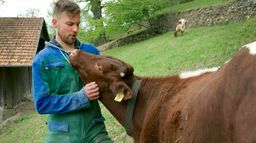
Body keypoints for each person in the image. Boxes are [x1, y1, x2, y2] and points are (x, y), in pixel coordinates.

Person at [32, 0, 113, 142]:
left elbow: (107, 85)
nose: (75, 29)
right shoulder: (41, 60)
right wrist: (81, 97)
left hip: (95, 130)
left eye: (78, 24)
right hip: (61, 134)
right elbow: (42, 104)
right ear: (55, 22)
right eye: (70, 24)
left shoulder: (91, 51)